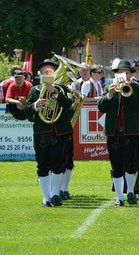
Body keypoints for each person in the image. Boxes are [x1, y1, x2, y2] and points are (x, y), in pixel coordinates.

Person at [24, 59, 74, 207]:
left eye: (50, 72)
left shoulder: (62, 89)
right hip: (41, 133)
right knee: (42, 165)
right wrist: (35, 105)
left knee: (58, 164)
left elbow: (68, 105)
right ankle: (46, 197)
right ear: (40, 74)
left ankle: (55, 194)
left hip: (58, 133)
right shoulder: (35, 90)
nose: (47, 73)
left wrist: (56, 93)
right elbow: (27, 113)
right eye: (45, 72)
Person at [98, 59, 139, 207]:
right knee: (116, 165)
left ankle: (130, 191)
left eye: (126, 73)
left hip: (131, 132)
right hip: (114, 133)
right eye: (120, 73)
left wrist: (129, 93)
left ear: (130, 74)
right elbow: (101, 107)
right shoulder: (108, 87)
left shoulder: (136, 88)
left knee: (131, 164)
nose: (123, 75)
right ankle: (119, 196)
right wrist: (110, 95)